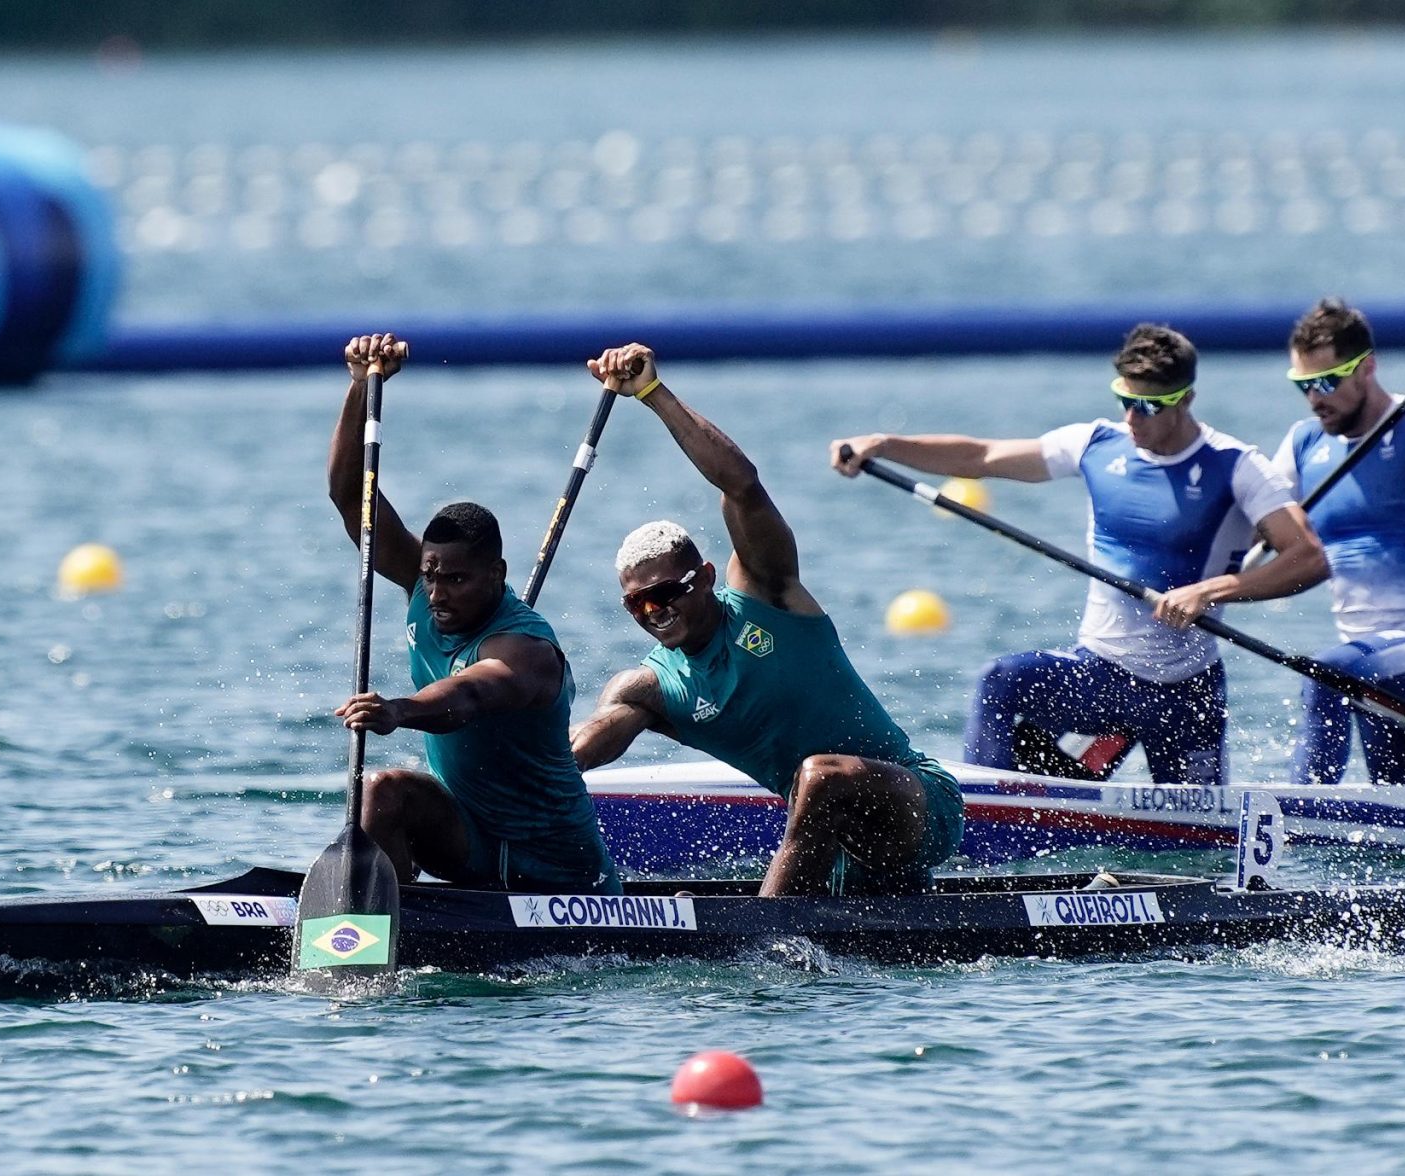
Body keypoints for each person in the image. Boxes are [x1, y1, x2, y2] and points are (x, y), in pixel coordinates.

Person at [831, 322, 1327, 785]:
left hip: (1186, 693)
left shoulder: (1237, 467)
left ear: (1186, 399)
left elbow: (1307, 557)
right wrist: (884, 444)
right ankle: (986, 823)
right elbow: (979, 457)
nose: (1133, 418)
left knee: (1201, 844)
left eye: (1150, 407)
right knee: (1001, 683)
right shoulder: (1095, 444)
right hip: (1101, 674)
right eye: (1124, 401)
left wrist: (1211, 591)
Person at [571, 342, 965, 897]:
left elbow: (742, 485)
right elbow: (571, 756)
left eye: (666, 593)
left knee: (821, 775)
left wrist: (654, 396)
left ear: (705, 577)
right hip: (833, 851)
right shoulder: (649, 690)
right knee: (816, 784)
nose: (656, 612)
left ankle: (767, 938)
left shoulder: (766, 595)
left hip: (918, 808)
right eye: (638, 604)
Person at [325, 333, 620, 892]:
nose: (437, 593)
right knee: (383, 790)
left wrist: (397, 711)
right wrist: (362, 385)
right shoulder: (423, 584)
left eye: (457, 580)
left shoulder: (526, 650)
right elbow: (349, 495)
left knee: (391, 776)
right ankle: (389, 922)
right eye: (432, 576)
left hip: (559, 867)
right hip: (471, 843)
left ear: (498, 575)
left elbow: (470, 694)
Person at [1236, 297, 1405, 785]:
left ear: (1367, 368)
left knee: (1325, 674)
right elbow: (1249, 525)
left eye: (1326, 382)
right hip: (1367, 661)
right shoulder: (1304, 444)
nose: (1315, 398)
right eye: (1304, 386)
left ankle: (1294, 821)